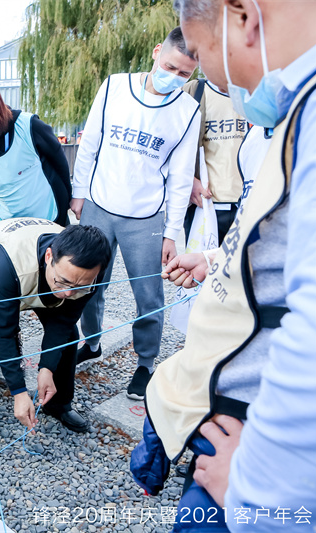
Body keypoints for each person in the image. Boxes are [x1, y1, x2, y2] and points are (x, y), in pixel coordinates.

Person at [131, 0, 316, 531]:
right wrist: (217, 257)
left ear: (241, 17)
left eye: (199, 52)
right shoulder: (299, 109)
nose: (205, 73)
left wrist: (259, 487)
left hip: (259, 459)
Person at [70, 27, 200, 400]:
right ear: (158, 51)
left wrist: (172, 232)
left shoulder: (187, 111)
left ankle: (145, 363)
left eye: (185, 75)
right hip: (98, 204)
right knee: (88, 286)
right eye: (170, 67)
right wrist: (79, 194)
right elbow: (90, 141)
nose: (174, 78)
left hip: (146, 217)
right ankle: (91, 342)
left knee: (148, 294)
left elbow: (179, 179)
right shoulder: (114, 86)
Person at [0, 219, 111, 457]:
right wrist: (18, 391)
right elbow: (2, 329)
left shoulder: (90, 273)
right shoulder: (13, 264)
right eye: (64, 281)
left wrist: (46, 368)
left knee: (69, 334)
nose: (68, 293)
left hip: (38, 272)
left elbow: (63, 322)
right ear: (49, 257)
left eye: (79, 286)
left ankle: (59, 404)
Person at [0, 78, 72, 227]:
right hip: (7, 225)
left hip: (50, 217)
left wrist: (68, 200)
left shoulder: (29, 126)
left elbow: (58, 160)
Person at [181, 77, 248, 242]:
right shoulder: (194, 91)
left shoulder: (255, 91)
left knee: (245, 266)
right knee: (203, 265)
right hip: (206, 204)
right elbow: (171, 144)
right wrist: (188, 180)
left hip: (249, 203)